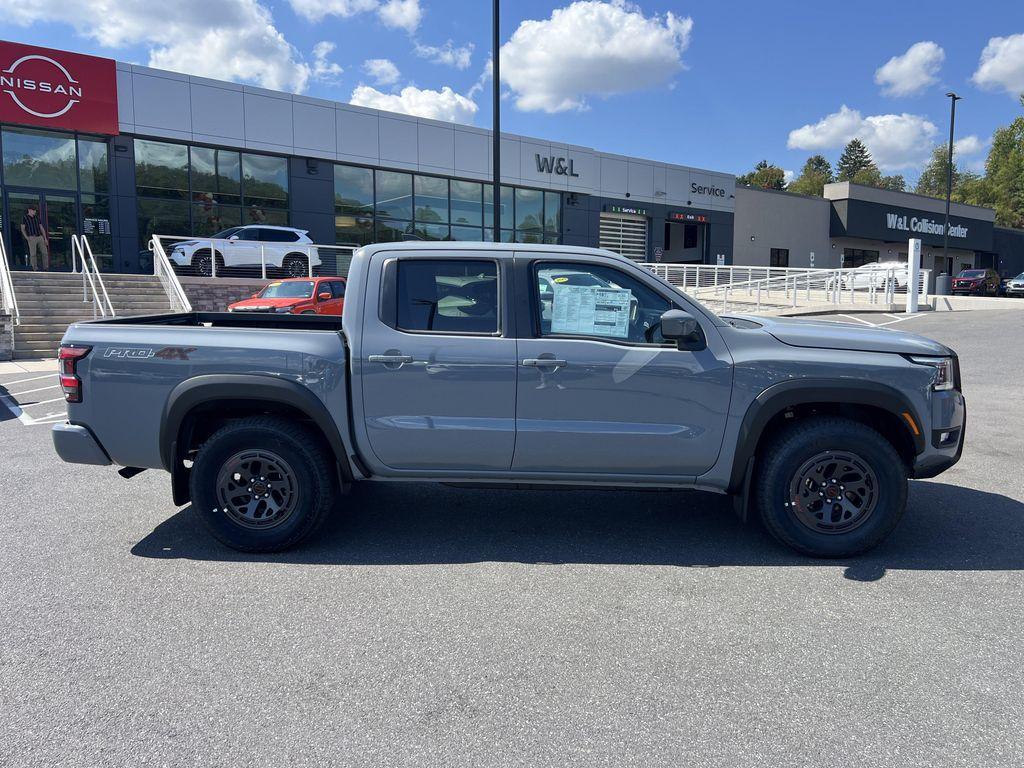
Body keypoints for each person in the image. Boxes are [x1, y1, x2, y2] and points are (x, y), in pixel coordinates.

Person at [20, 205, 49, 271]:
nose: (35, 211)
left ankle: (46, 267)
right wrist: (27, 237)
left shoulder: (37, 217)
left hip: (39, 236)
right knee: (33, 253)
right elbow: (22, 228)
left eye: (35, 210)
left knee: (44, 252)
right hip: (31, 237)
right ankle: (34, 268)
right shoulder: (25, 218)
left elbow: (41, 228)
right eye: (33, 210)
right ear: (29, 210)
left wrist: (45, 238)